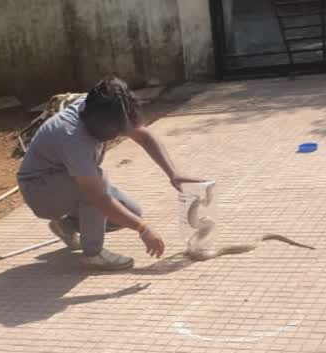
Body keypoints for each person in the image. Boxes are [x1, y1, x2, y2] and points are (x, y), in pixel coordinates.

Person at [17, 77, 204, 270]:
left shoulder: (106, 107)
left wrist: (174, 174)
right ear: (96, 121)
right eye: (115, 130)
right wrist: (143, 229)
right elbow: (100, 198)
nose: (118, 134)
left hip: (62, 181)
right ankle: (93, 254)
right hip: (39, 191)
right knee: (95, 189)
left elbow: (144, 136)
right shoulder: (73, 137)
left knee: (131, 212)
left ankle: (67, 226)